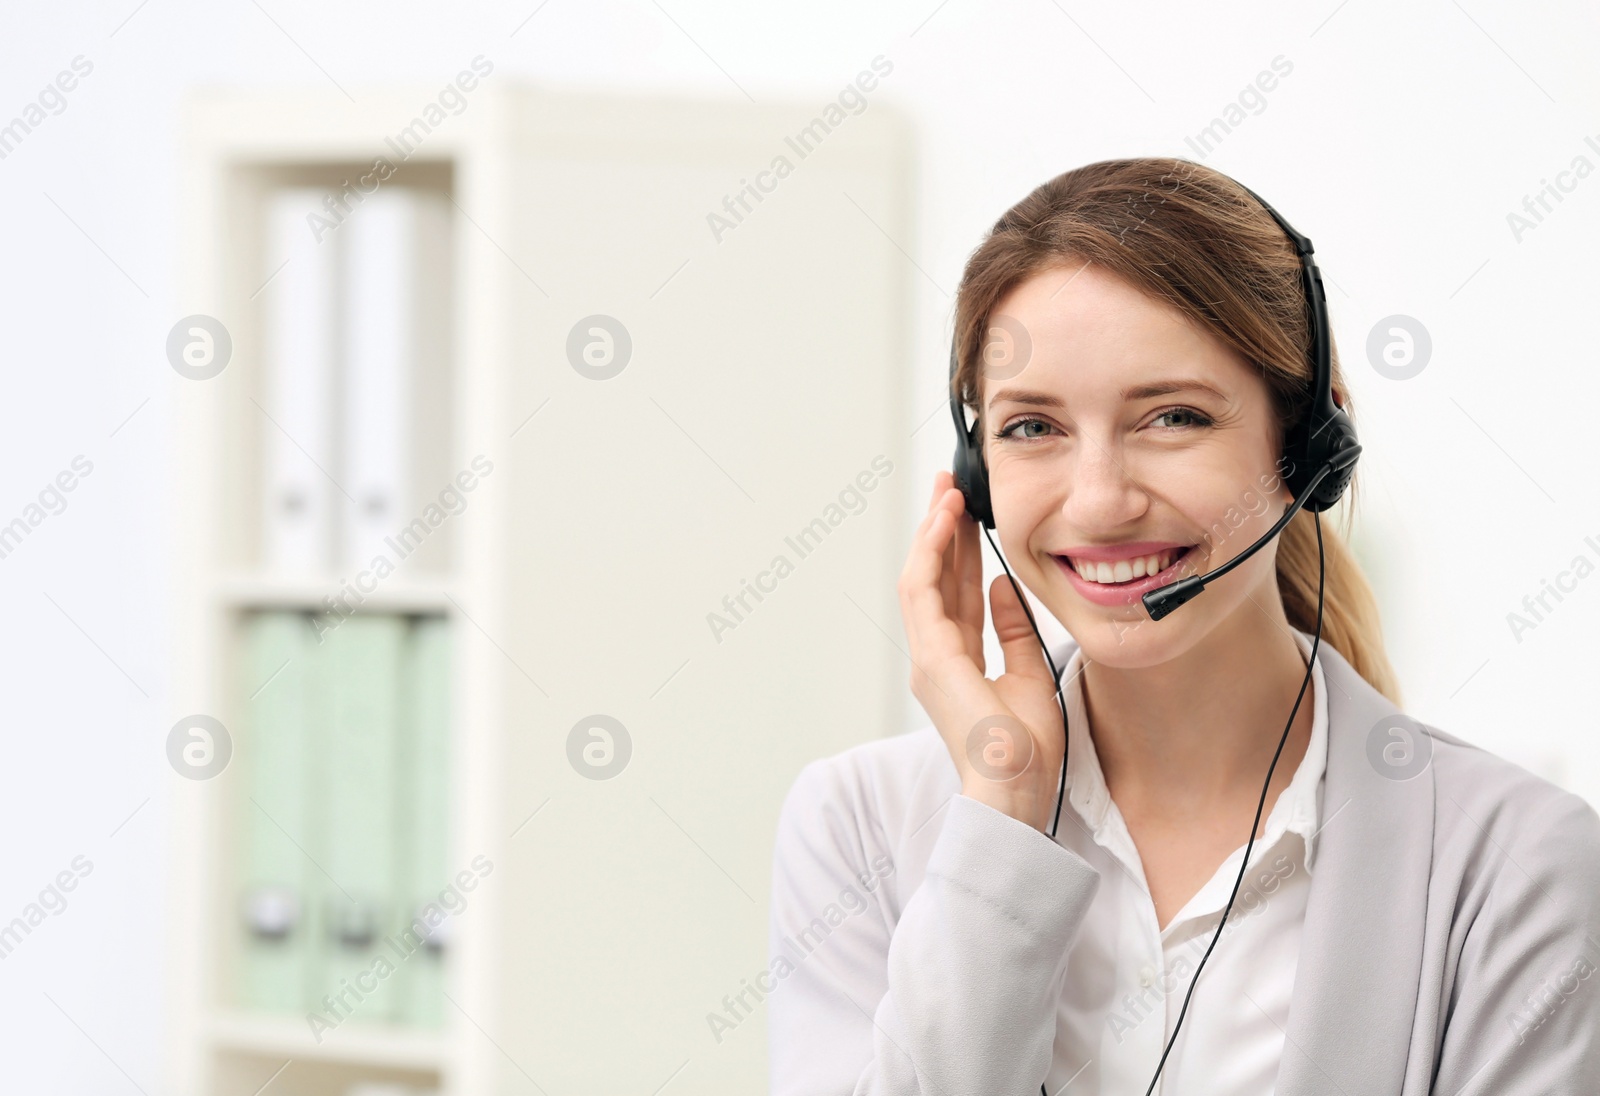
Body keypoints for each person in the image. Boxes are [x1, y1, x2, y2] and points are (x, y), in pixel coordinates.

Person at [767, 157, 1600, 1095]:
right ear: (975, 475)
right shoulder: (858, 828)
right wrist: (999, 826)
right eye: (1033, 428)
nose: (1099, 502)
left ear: (1307, 448)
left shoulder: (1518, 864)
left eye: (1172, 416)